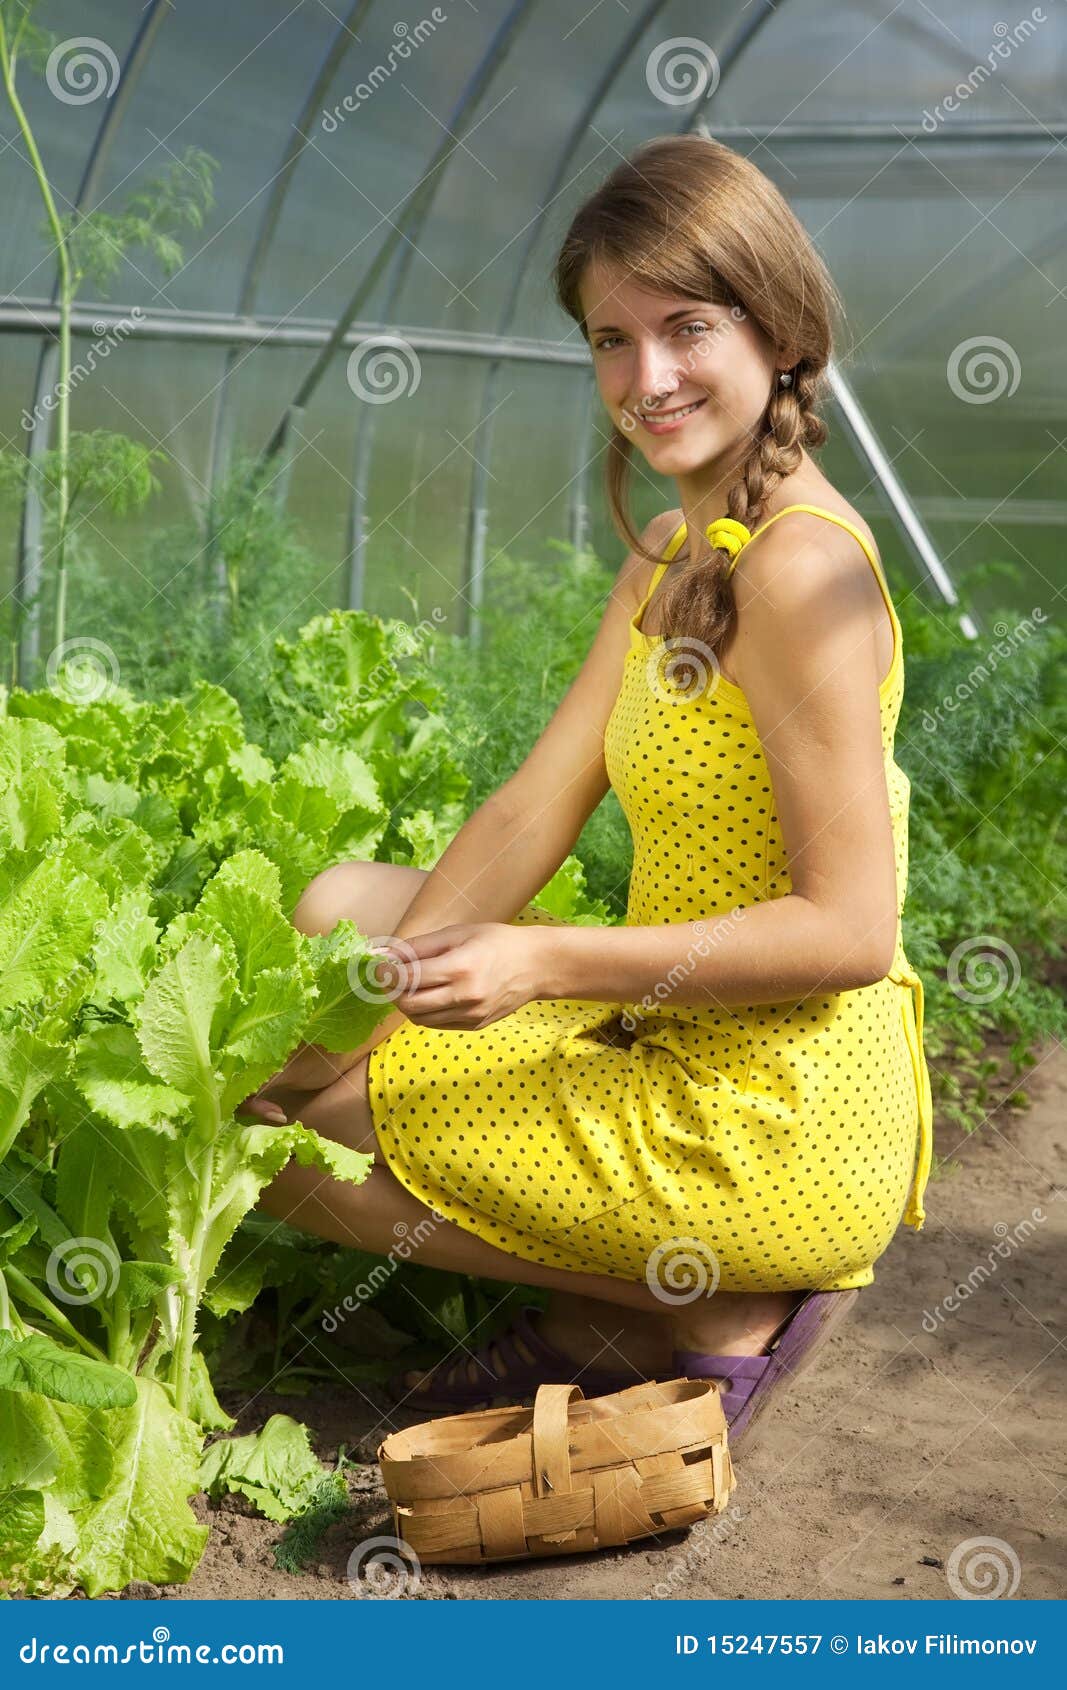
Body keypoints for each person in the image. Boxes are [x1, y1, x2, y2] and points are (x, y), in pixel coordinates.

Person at [245, 135, 933, 1448]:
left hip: (776, 1120)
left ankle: (718, 1304)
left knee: (278, 1145)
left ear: (779, 330)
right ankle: (623, 1314)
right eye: (610, 339)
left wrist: (542, 962)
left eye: (686, 330)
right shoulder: (678, 552)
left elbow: (853, 931)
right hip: (674, 1041)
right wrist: (355, 1025)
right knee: (347, 913)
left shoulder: (799, 574)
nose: (646, 377)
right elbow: (527, 813)